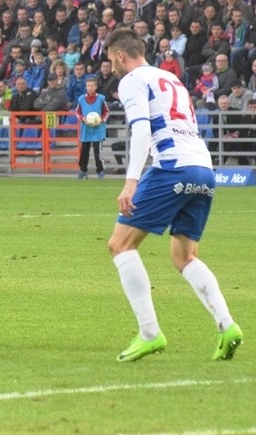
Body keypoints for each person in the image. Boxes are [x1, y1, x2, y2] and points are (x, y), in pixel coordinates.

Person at [104, 27, 243, 363]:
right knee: (185, 257)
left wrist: (131, 180)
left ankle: (149, 333)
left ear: (121, 56)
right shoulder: (171, 79)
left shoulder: (132, 80)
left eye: (111, 61)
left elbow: (141, 128)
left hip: (172, 167)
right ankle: (227, 326)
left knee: (120, 244)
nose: (112, 67)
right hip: (204, 170)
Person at [76, 76, 108, 180]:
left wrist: (101, 120)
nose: (89, 88)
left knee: (97, 152)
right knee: (84, 151)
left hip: (98, 130)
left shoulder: (101, 98)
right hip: (86, 129)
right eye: (88, 86)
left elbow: (106, 112)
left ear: (95, 87)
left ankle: (100, 171)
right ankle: (83, 171)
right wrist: (82, 118)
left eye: (91, 86)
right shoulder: (81, 99)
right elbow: (77, 112)